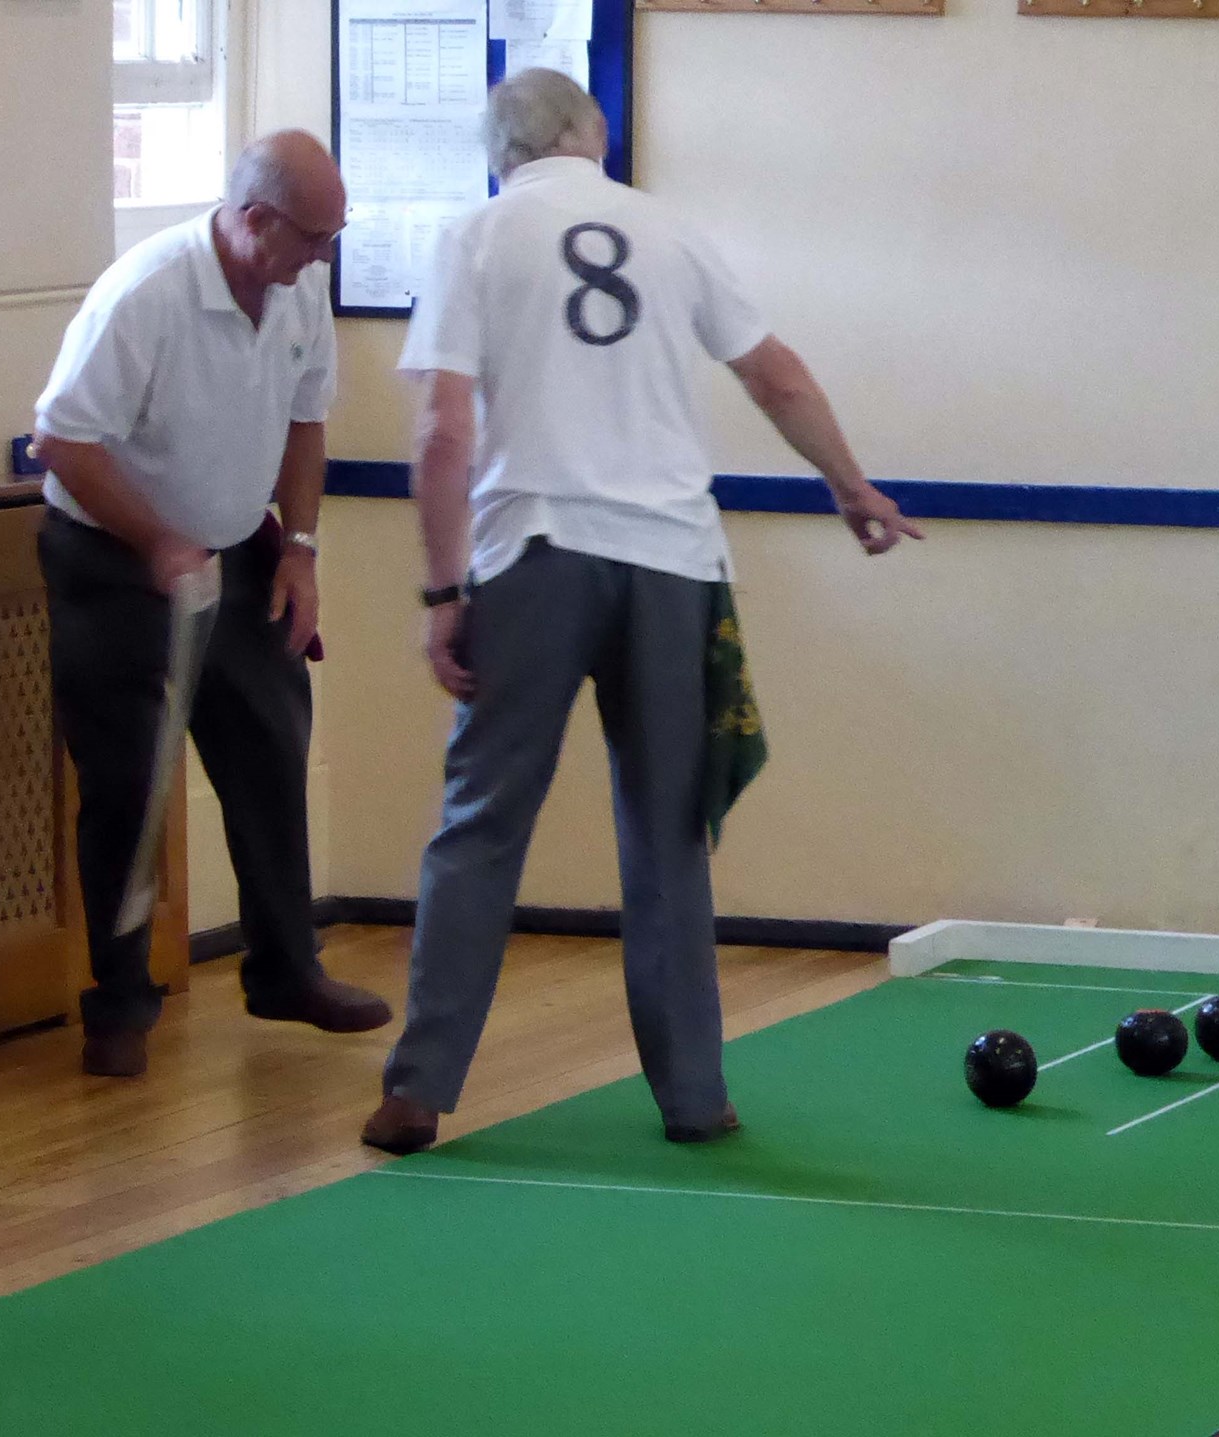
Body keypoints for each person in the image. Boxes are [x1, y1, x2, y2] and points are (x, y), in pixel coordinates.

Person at [360, 69, 923, 1154]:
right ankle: (695, 1097)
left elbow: (442, 431)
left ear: (500, 153)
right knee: (668, 833)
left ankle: (417, 1092)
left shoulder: (475, 236)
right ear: (595, 134)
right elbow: (777, 375)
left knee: (481, 825)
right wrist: (850, 485)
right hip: (670, 559)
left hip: (534, 553)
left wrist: (441, 589)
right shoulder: (671, 232)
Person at [34, 131, 391, 1078]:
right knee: (128, 782)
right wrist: (156, 541)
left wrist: (301, 550)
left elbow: (307, 420)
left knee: (271, 745)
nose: (325, 257)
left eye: (335, 237)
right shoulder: (146, 294)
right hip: (111, 557)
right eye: (313, 237)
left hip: (235, 552)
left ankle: (285, 970)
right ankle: (118, 1004)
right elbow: (62, 439)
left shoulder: (298, 289)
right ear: (254, 218)